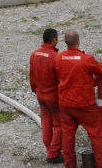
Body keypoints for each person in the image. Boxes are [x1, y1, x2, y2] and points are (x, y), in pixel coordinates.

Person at [55, 30, 102, 168]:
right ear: (78, 42)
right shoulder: (86, 59)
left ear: (65, 42)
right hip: (85, 105)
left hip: (66, 104)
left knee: (67, 136)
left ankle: (70, 164)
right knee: (96, 135)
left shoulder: (58, 58)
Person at [30, 29, 64, 165]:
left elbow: (31, 76)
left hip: (40, 95)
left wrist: (36, 90)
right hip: (53, 96)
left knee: (45, 124)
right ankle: (53, 153)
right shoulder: (55, 57)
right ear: (54, 40)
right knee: (59, 124)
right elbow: (61, 79)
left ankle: (49, 149)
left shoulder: (34, 54)